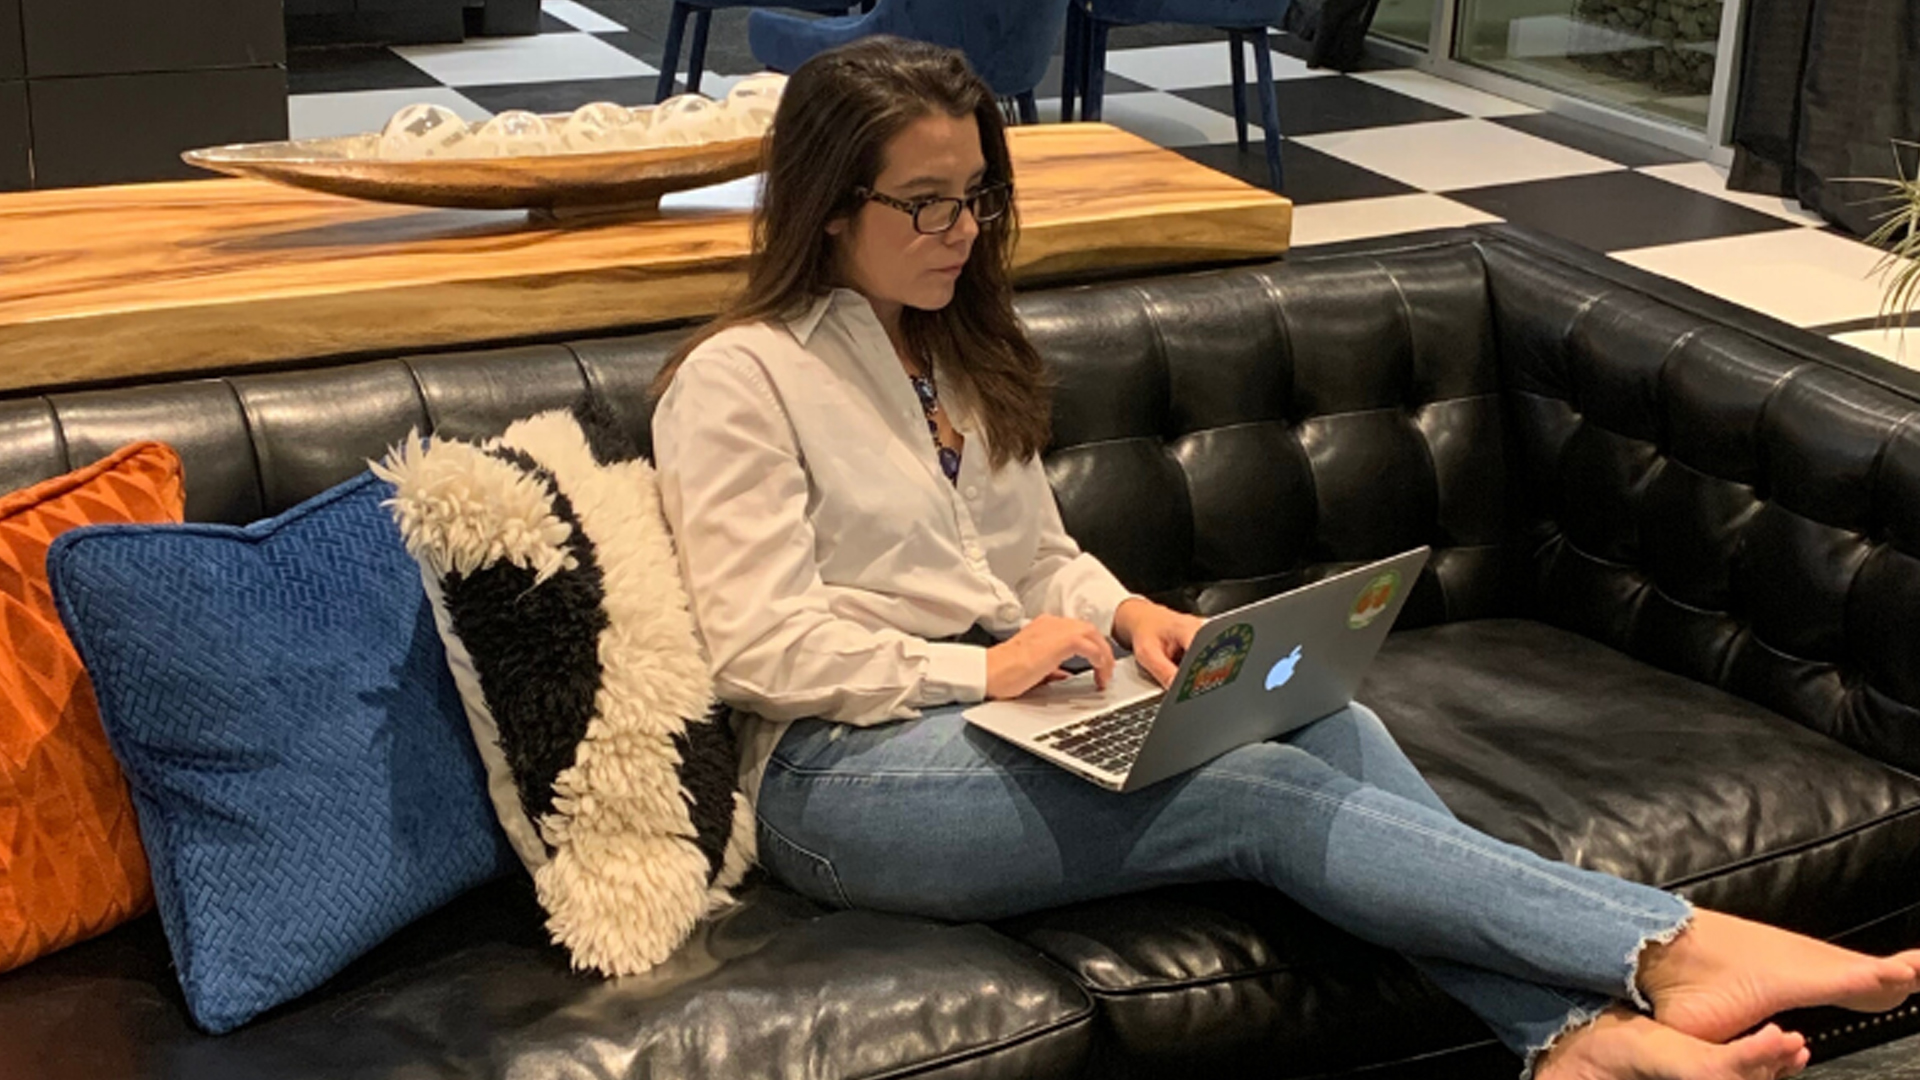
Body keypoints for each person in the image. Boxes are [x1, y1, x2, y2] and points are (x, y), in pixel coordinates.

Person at [649, 36, 1920, 1080]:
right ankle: (1666, 948)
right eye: (925, 203)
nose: (963, 230)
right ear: (828, 206)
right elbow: (758, 647)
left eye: (978, 195)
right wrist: (979, 673)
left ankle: (1569, 1038)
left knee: (1327, 718)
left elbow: (1033, 558)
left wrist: (1127, 613)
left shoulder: (955, 348)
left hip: (1018, 712)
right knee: (1253, 792)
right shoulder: (741, 378)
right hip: (841, 777)